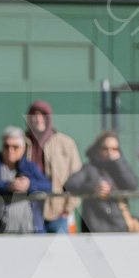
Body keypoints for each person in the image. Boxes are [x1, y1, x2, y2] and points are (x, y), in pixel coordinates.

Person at [0, 127, 51, 234]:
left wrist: (29, 185)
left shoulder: (29, 167)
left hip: (30, 231)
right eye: (6, 146)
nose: (10, 151)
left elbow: (48, 186)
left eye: (15, 147)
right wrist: (6, 186)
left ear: (23, 148)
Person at [65, 131, 139, 233]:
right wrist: (93, 188)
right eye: (105, 148)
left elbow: (133, 185)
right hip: (95, 228)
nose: (110, 152)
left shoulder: (121, 168)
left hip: (120, 227)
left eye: (114, 149)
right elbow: (69, 185)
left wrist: (119, 162)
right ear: (98, 150)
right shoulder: (90, 168)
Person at [25, 100, 82, 233]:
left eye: (42, 115)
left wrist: (68, 208)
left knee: (60, 252)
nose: (38, 119)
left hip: (59, 212)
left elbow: (77, 178)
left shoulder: (66, 143)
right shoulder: (20, 142)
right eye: (34, 115)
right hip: (29, 211)